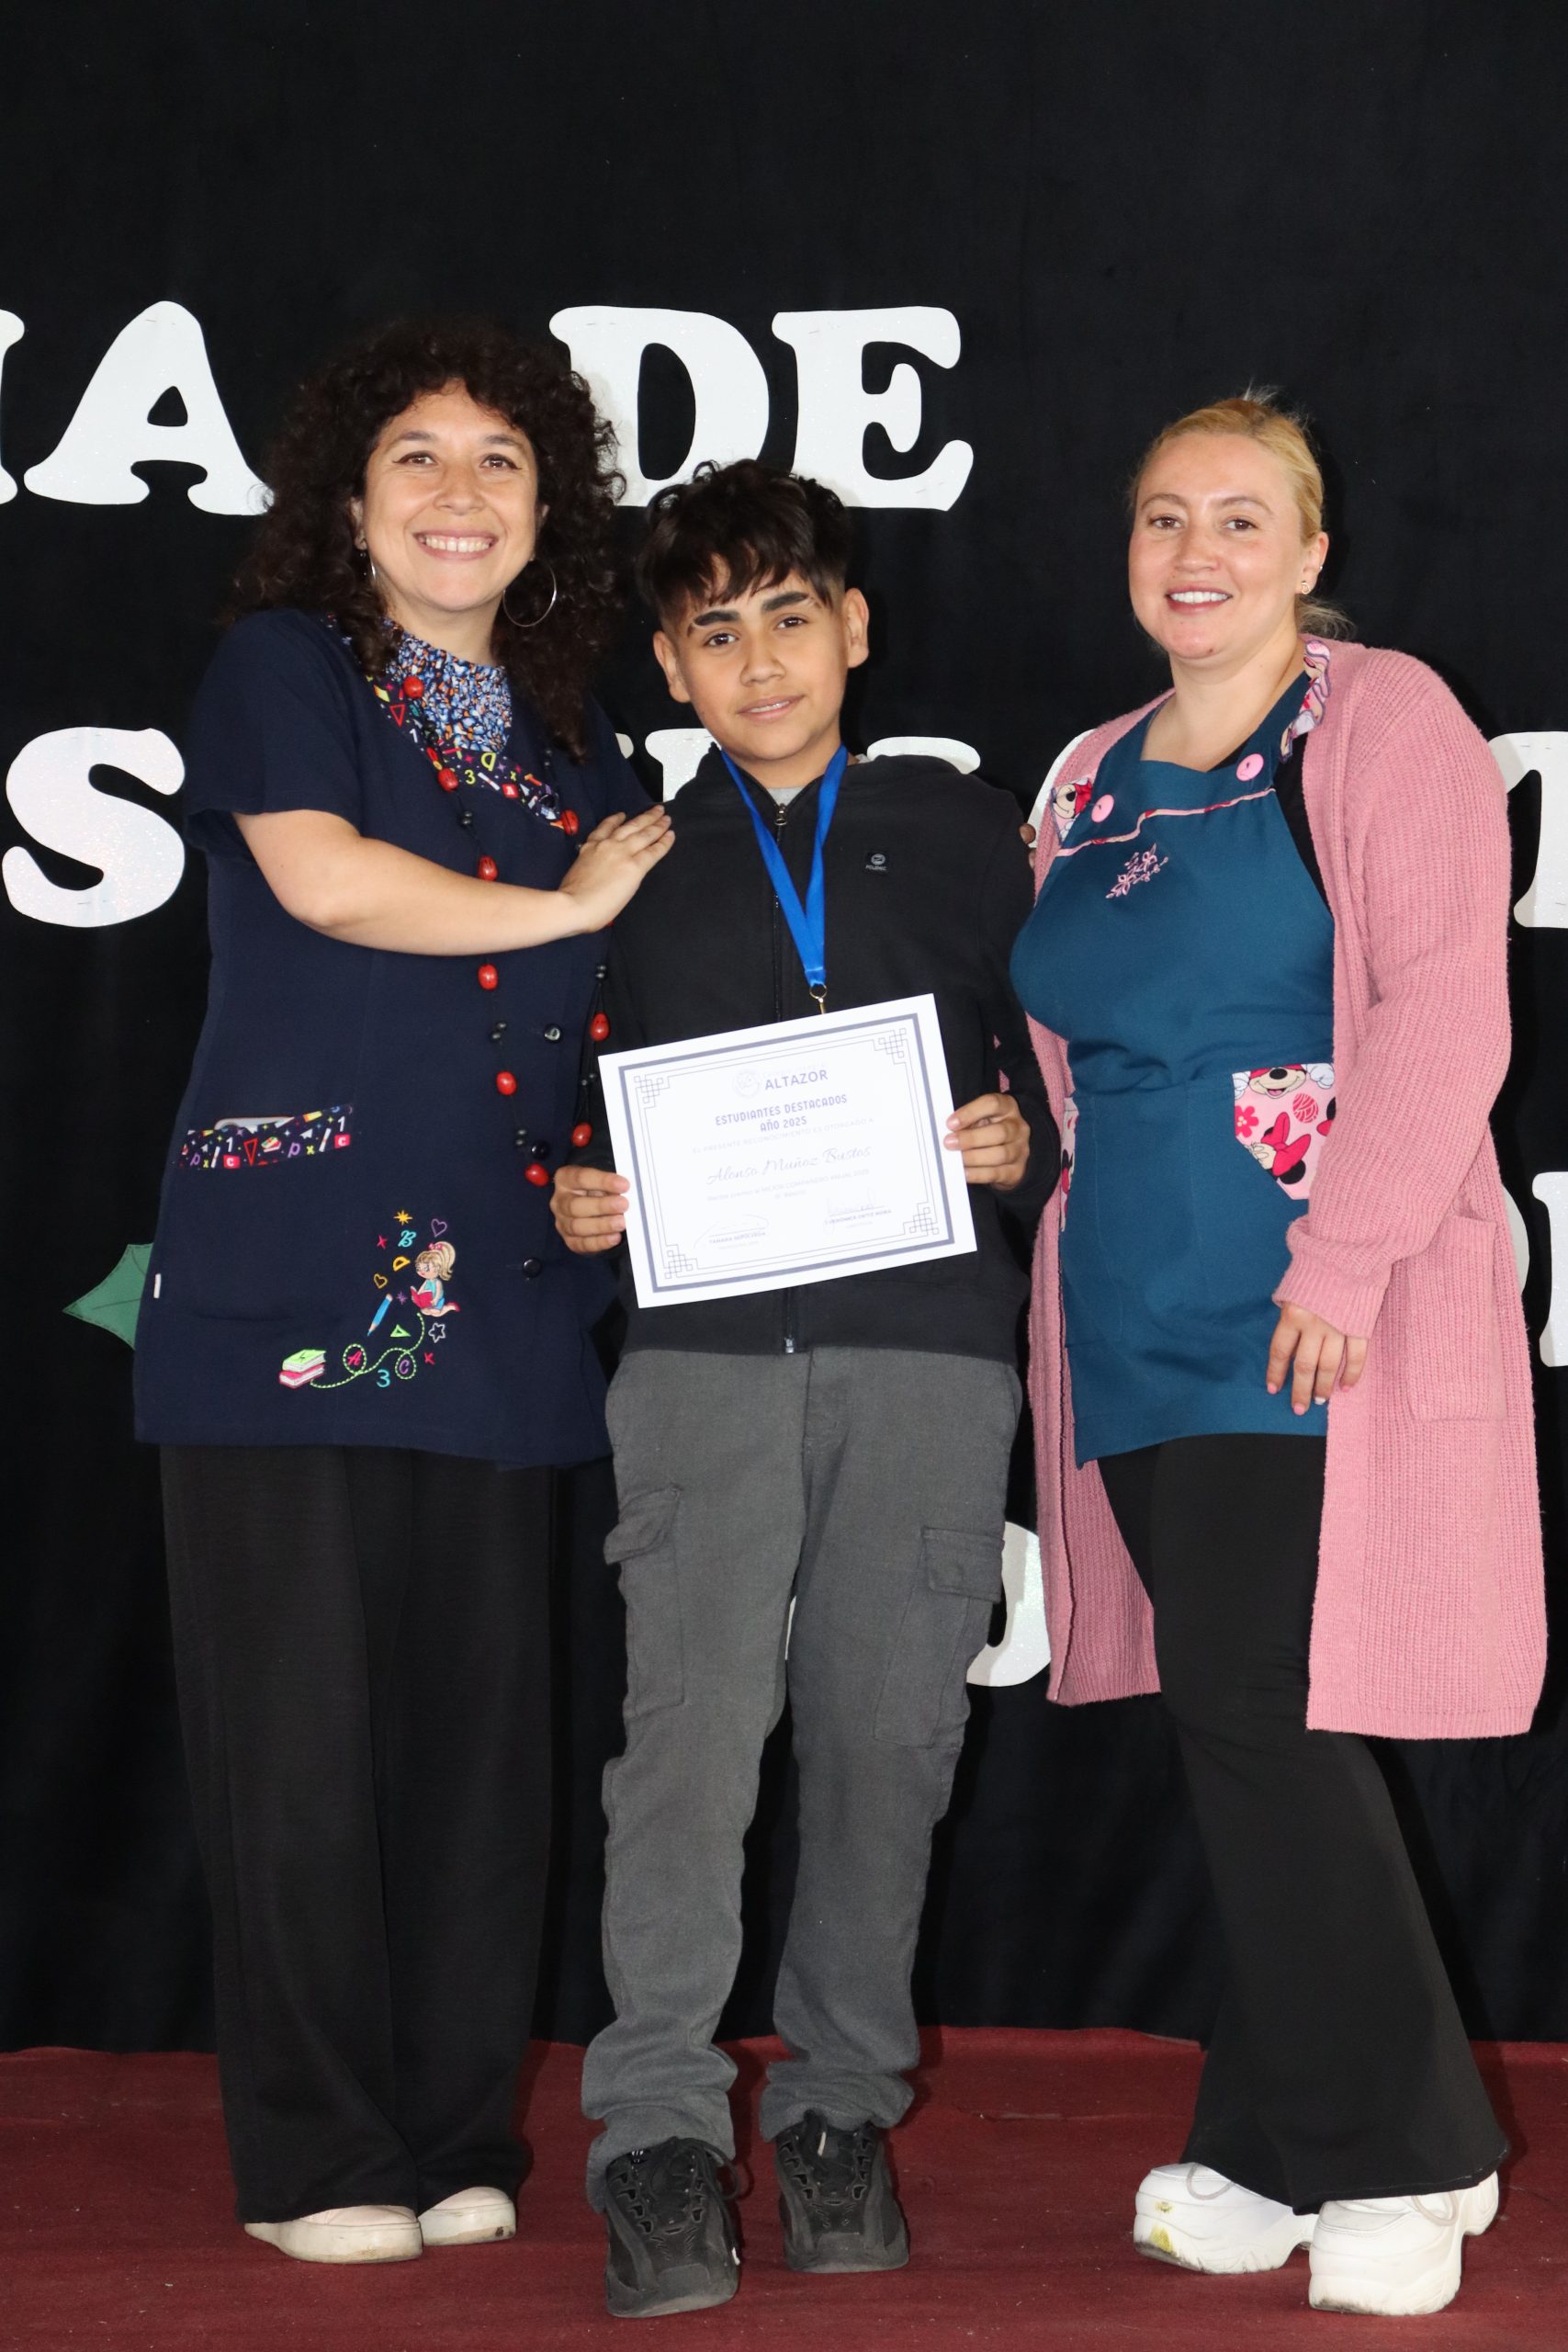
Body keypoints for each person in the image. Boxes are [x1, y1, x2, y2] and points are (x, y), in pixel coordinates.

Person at [134, 318, 671, 2265]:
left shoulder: (580, 744)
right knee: (295, 1741)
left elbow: (591, 1013)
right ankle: (314, 2155)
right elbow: (329, 883)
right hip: (290, 1279)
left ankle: (455, 2129)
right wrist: (573, 903)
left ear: (549, 509)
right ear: (350, 505)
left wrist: (608, 1178)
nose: (461, 494)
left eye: (500, 462)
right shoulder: (287, 668)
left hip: (507, 1291)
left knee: (478, 1749)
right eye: (419, 460)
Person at [1010, 395, 1546, 2320]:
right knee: (1242, 1721)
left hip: (1307, 1307)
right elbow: (1075, 1051)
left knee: (1256, 1701)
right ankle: (1264, 2136)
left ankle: (1407, 2153)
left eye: (1241, 518)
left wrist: (1342, 1256)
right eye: (1163, 516)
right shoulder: (1083, 773)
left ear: (1310, 551)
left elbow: (1447, 1011)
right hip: (1129, 1313)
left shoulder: (1380, 718)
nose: (1196, 552)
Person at [551, 459, 1056, 2318]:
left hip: (927, 1348)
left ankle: (839, 2105)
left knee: (884, 1740)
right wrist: (570, 1193)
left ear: (852, 627)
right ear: (670, 669)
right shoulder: (621, 855)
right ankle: (657, 2129)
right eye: (714, 631)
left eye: (787, 616)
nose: (757, 660)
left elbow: (1058, 1076)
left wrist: (1018, 1144)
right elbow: (549, 1093)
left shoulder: (968, 831)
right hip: (696, 1359)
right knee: (685, 1745)